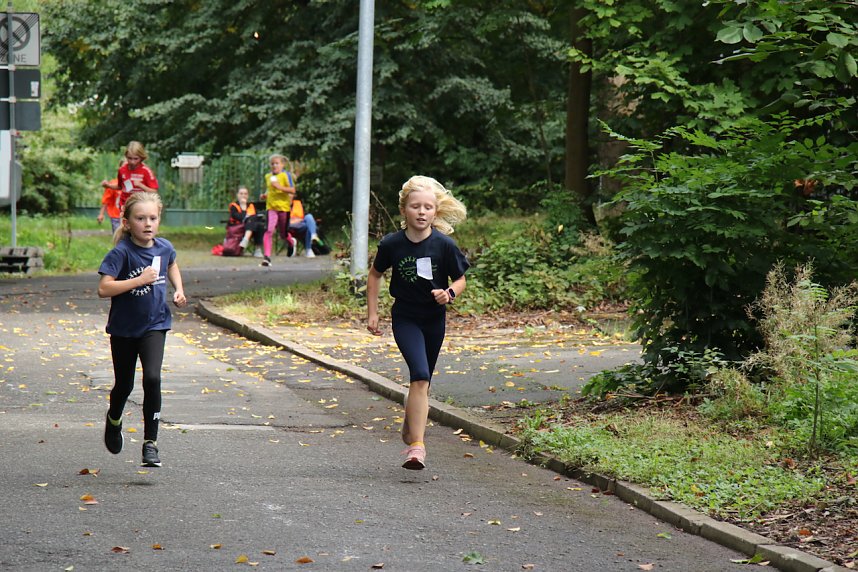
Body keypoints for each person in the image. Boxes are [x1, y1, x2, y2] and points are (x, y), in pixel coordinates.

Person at [366, 175, 469, 470]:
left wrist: (448, 294)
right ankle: (417, 448)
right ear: (404, 211)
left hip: (434, 319)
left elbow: (460, 279)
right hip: (406, 317)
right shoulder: (392, 244)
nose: (422, 212)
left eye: (428, 207)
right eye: (415, 207)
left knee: (423, 382)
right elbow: (375, 275)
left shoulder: (443, 245)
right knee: (420, 375)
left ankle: (411, 427)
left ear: (435, 212)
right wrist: (373, 314)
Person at [97, 192, 187, 468]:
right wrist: (137, 281)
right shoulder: (121, 253)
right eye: (140, 218)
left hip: (155, 325)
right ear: (126, 223)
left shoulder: (164, 247)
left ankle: (151, 444)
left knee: (152, 378)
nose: (148, 223)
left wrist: (179, 290)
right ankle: (114, 420)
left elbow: (172, 263)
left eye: (153, 218)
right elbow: (103, 289)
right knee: (124, 385)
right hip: (124, 330)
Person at [259, 154, 296, 266]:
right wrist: (265, 195)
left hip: (284, 208)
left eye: (277, 163)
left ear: (282, 165)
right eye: (272, 164)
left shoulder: (286, 175)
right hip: (271, 208)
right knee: (269, 230)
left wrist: (279, 187)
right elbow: (269, 189)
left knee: (283, 234)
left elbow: (292, 190)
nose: (274, 166)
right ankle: (267, 257)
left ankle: (291, 243)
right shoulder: (268, 176)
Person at [117, 141, 159, 212]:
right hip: (125, 206)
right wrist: (108, 185)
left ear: (141, 158)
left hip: (141, 207)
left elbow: (154, 191)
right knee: (125, 222)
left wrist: (141, 185)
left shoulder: (146, 171)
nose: (132, 162)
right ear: (126, 156)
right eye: (130, 158)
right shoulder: (122, 170)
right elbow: (120, 186)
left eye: (136, 159)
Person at [228, 186, 264, 257]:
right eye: (241, 194)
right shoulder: (234, 206)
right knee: (251, 220)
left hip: (251, 227)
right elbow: (240, 218)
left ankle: (254, 246)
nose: (243, 195)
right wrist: (243, 206)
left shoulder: (251, 205)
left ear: (247, 195)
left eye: (245, 194)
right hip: (238, 228)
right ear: (237, 195)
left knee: (258, 224)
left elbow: (255, 216)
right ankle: (246, 240)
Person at [97, 160, 125, 233]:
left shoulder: (133, 184)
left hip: (130, 215)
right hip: (116, 216)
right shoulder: (113, 184)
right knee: (118, 237)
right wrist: (101, 214)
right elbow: (106, 200)